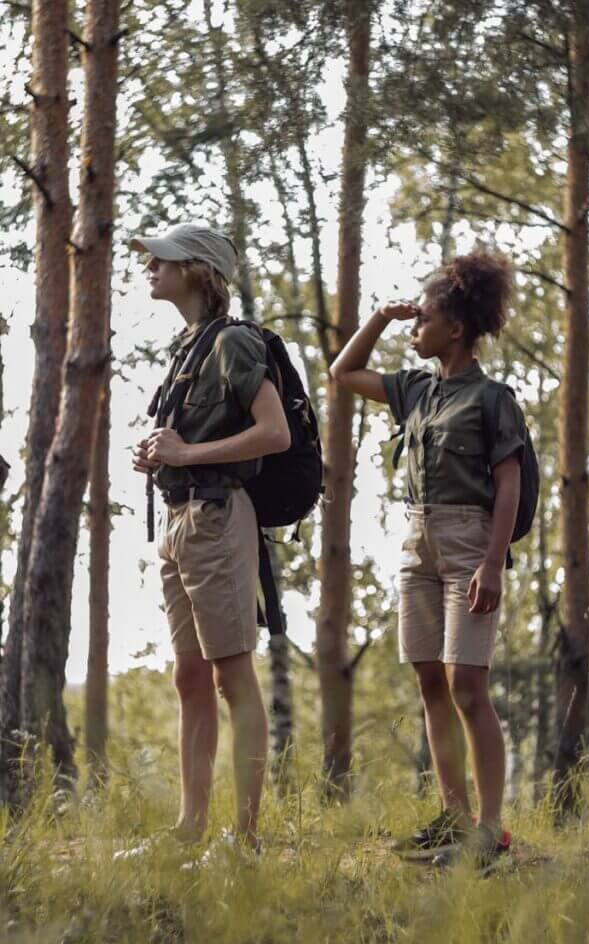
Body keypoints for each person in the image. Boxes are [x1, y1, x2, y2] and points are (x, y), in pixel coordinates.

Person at [330, 250, 524, 870]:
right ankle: (453, 817)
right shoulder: (413, 388)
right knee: (431, 682)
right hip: (417, 542)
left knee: (468, 685)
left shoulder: (493, 398)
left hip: (470, 542)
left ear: (456, 328)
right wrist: (382, 319)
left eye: (424, 317)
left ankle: (489, 833)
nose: (416, 328)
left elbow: (511, 482)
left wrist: (493, 564)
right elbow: (343, 372)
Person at [119, 223, 290, 861]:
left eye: (162, 260)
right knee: (190, 676)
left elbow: (274, 433)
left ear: (197, 269)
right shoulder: (187, 347)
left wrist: (189, 452)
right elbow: (193, 441)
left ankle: (243, 841)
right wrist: (163, 455)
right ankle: (190, 830)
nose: (150, 268)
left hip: (217, 518)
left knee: (230, 676)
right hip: (179, 520)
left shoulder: (234, 343)